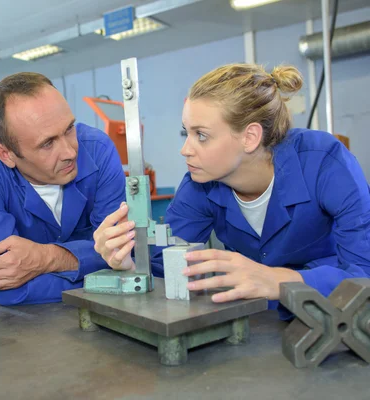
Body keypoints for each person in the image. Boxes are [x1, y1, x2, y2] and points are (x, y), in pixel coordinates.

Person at [93, 63, 370, 317]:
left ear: (249, 137)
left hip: (335, 316)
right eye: (185, 133)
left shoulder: (325, 163)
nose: (185, 150)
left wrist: (282, 280)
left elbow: (364, 275)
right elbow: (165, 266)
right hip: (257, 321)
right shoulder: (199, 185)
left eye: (201, 135)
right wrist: (130, 265)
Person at [0, 72, 126, 306]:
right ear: (5, 154)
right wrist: (96, 264)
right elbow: (10, 291)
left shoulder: (98, 149)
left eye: (69, 129)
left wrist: (46, 258)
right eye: (47, 144)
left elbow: (122, 255)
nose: (70, 152)